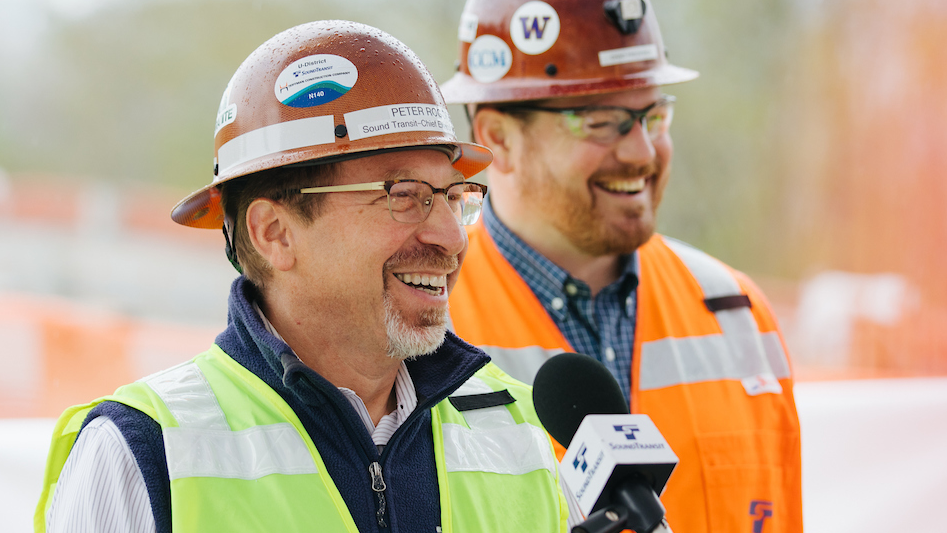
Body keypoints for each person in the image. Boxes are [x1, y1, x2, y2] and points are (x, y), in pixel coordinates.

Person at [35, 21, 568, 533]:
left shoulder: (519, 428)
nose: (451, 239)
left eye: (454, 198)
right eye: (404, 196)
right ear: (274, 233)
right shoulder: (147, 453)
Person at [441, 1, 803, 532]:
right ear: (498, 138)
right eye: (603, 121)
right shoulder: (421, 327)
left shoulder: (737, 314)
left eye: (654, 116)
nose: (642, 151)